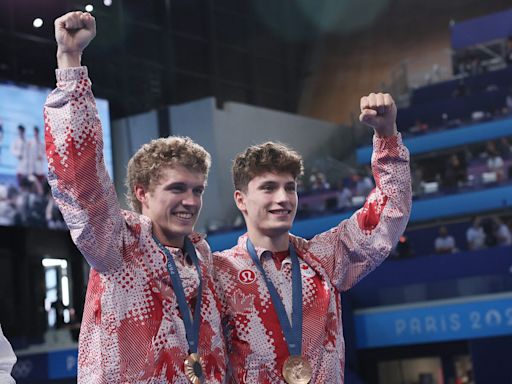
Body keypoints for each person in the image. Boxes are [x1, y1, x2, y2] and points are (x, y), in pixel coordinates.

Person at [44, 12, 226, 383]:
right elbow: (82, 181)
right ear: (141, 193)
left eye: (197, 190)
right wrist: (70, 64)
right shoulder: (118, 243)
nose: (190, 201)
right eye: (177, 189)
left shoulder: (203, 255)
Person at [213, 93, 412, 383]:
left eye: (289, 188)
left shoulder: (325, 257)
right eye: (268, 188)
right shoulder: (218, 272)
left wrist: (387, 135)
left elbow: (390, 210)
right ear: (241, 200)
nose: (282, 198)